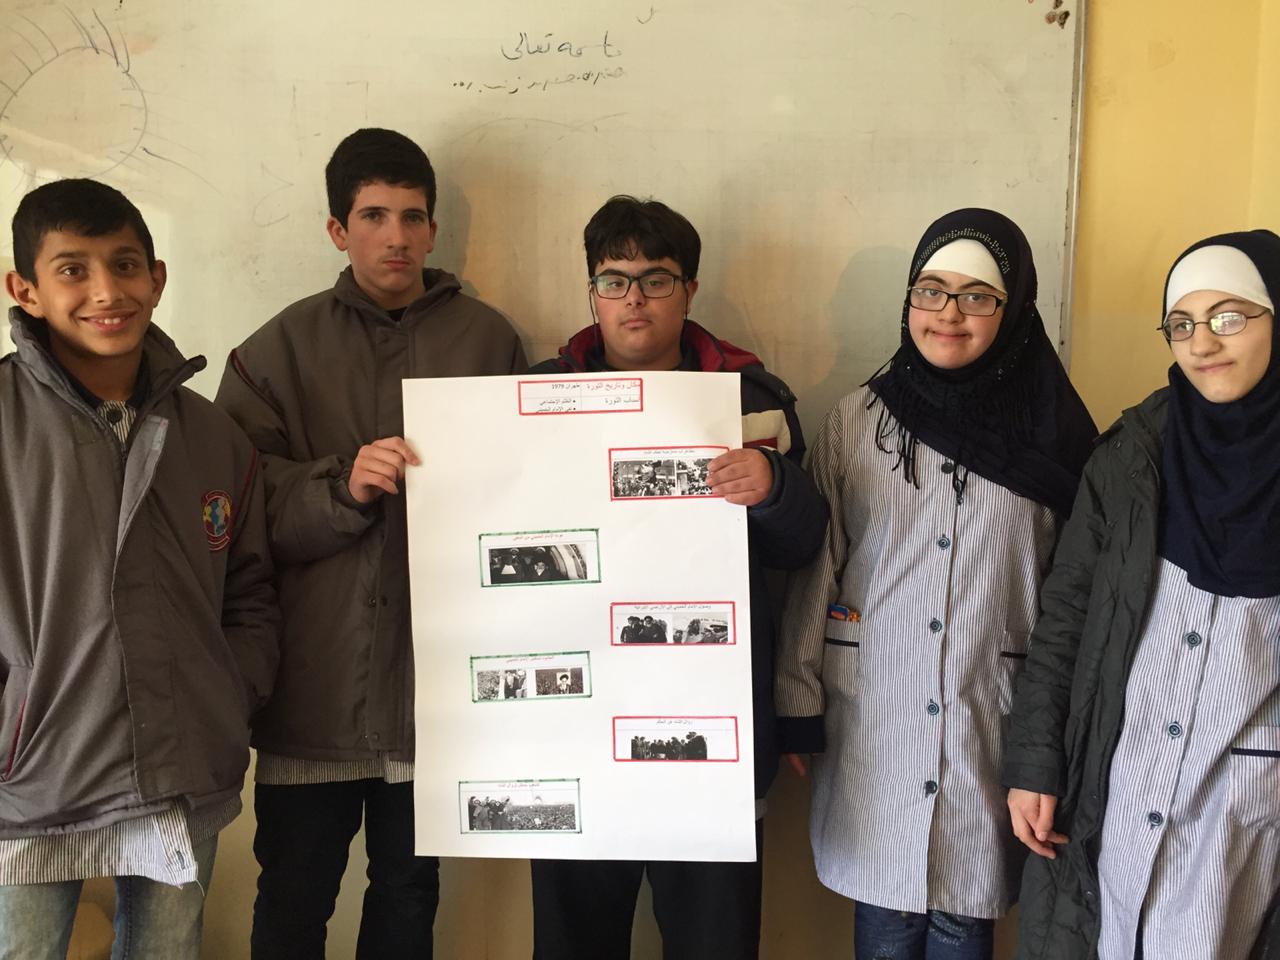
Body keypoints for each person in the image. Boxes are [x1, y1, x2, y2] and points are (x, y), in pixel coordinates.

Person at [215, 127, 527, 960]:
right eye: (374, 216)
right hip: (313, 694)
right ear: (337, 229)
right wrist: (341, 487)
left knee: (408, 898)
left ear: (433, 229)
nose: (396, 236)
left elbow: (526, 501)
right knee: (293, 899)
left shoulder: (490, 342)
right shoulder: (274, 351)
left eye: (413, 217)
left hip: (436, 697)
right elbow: (234, 516)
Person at [776, 208, 1097, 959]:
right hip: (874, 714)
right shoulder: (861, 421)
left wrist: (1058, 739)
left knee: (964, 918)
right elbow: (819, 567)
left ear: (1013, 309)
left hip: (994, 718)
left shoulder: (1057, 438)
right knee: (886, 918)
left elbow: (1072, 601)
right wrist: (797, 699)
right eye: (931, 290)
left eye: (977, 295)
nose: (948, 313)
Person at [527, 195, 829, 960]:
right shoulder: (531, 399)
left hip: (710, 735)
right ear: (592, 292)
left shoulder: (753, 400)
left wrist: (775, 489)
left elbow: (803, 549)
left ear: (689, 290)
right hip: (576, 736)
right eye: (614, 280)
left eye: (656, 279)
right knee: (572, 943)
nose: (634, 298)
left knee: (713, 943)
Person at [0, 178, 279, 959]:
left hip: (181, 767)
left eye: (124, 265)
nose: (106, 291)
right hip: (29, 776)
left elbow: (250, 591)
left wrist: (227, 694)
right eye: (73, 269)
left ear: (156, 277)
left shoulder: (213, 436)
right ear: (24, 289)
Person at [1004, 229, 1280, 960]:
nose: (1202, 343)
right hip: (1119, 778)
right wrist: (1035, 762)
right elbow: (1066, 614)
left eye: (1229, 317)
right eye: (1181, 324)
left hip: (1251, 806)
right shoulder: (1135, 451)